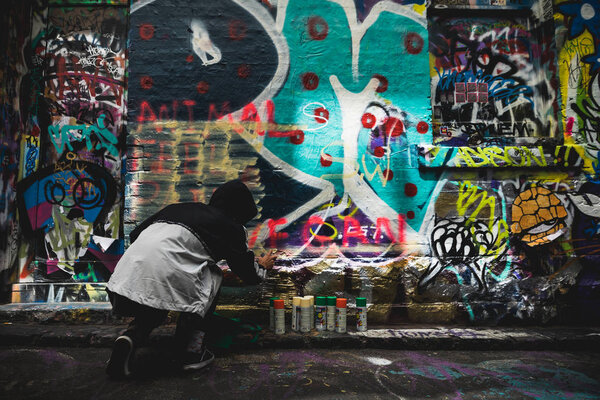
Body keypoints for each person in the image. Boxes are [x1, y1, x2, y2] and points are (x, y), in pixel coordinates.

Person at [105, 180, 278, 378]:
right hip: (157, 277)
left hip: (125, 278)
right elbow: (247, 273)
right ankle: (190, 351)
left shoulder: (176, 208)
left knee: (156, 300)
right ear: (240, 212)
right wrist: (263, 266)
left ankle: (130, 337)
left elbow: (136, 234)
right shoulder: (230, 226)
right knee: (212, 274)